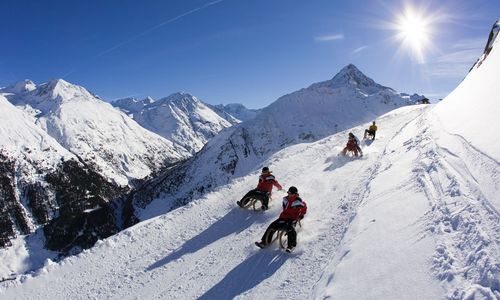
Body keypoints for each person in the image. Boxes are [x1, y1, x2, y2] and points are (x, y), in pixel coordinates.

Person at [255, 186, 307, 252]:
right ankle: (264, 242)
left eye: (291, 193)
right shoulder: (285, 199)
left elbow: (304, 207)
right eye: (288, 193)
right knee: (272, 226)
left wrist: (301, 215)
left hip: (292, 219)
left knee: (290, 229)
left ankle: (290, 246)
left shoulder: (299, 201)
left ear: (295, 194)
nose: (289, 194)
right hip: (283, 217)